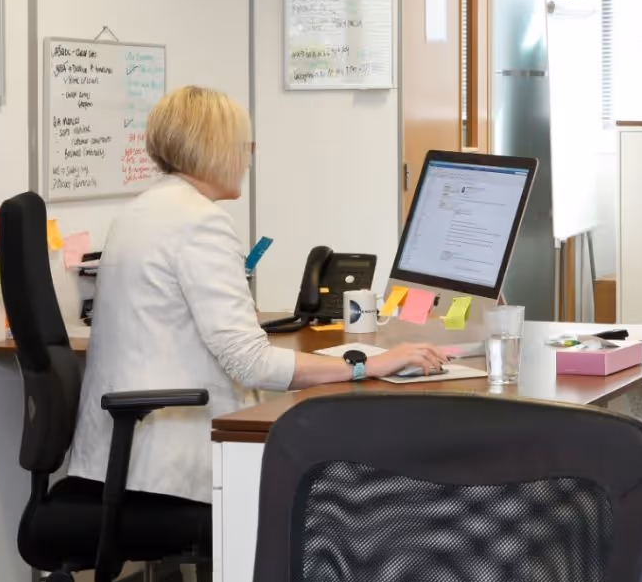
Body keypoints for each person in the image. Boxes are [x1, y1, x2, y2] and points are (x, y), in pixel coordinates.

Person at [65, 85, 449, 503]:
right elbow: (249, 363)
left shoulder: (137, 212)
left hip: (112, 463)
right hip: (168, 473)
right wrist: (367, 365)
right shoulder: (199, 222)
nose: (246, 158)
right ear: (214, 148)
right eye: (243, 146)